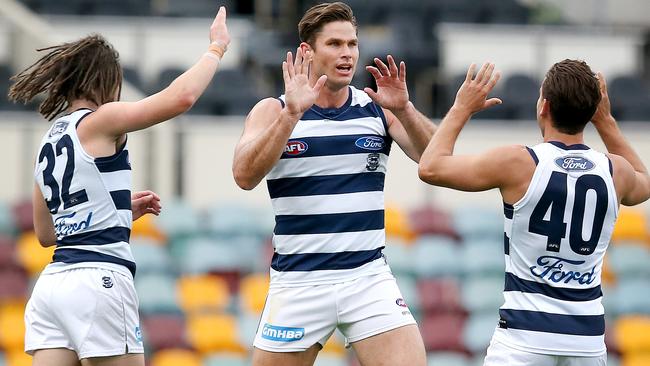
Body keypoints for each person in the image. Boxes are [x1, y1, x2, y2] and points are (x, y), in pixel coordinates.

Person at [7, 6, 230, 366]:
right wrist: (216, 49)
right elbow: (180, 98)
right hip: (99, 280)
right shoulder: (101, 120)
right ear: (105, 80)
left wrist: (117, 210)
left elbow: (47, 234)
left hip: (53, 286)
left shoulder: (49, 139)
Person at [232, 2, 435, 365]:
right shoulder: (273, 110)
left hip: (367, 278)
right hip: (299, 282)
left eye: (352, 44)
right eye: (335, 44)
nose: (347, 54)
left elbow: (434, 159)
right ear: (308, 51)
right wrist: (292, 115)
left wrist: (405, 109)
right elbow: (244, 176)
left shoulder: (377, 108)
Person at [418, 60, 650, 365]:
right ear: (592, 110)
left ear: (544, 106)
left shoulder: (519, 162)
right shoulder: (615, 170)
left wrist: (462, 107)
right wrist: (605, 121)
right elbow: (644, 182)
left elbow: (430, 167)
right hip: (587, 343)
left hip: (524, 339)